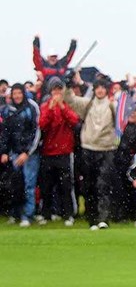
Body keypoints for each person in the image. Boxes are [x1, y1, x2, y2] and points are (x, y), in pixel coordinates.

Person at [65, 74, 118, 230]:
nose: (100, 90)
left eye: (103, 88)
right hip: (88, 148)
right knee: (89, 185)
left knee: (103, 185)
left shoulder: (112, 105)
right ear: (94, 90)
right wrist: (68, 86)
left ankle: (103, 218)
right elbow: (70, 100)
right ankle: (92, 219)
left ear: (107, 90)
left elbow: (123, 117)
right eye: (98, 88)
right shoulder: (87, 104)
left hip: (107, 149)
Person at [37, 77, 79, 226]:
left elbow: (74, 121)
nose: (57, 93)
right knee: (46, 186)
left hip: (64, 152)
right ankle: (46, 214)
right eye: (54, 90)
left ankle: (68, 215)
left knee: (66, 186)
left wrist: (62, 107)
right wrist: (50, 108)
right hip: (48, 152)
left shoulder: (67, 105)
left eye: (59, 90)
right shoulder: (45, 106)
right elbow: (42, 124)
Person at [0, 83, 42, 226]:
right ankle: (15, 213)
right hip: (14, 153)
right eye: (15, 93)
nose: (17, 96)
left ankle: (27, 215)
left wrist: (27, 152)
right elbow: (5, 133)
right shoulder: (8, 110)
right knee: (14, 185)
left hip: (30, 154)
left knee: (29, 185)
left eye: (19, 93)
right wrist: (4, 151)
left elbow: (36, 131)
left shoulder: (32, 107)